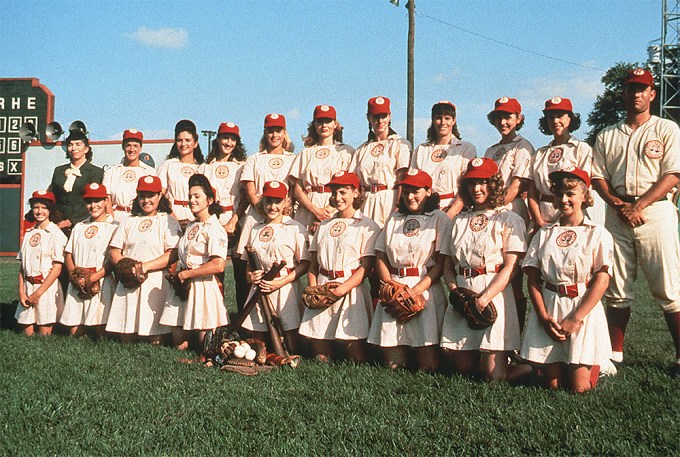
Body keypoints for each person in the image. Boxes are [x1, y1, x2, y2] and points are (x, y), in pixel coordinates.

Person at [591, 68, 680, 377]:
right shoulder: (607, 134)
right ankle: (615, 355)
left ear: (652, 94)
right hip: (618, 210)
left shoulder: (667, 129)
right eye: (631, 88)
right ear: (624, 93)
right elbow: (598, 176)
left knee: (668, 286)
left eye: (643, 89)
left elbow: (672, 175)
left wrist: (639, 204)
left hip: (655, 210)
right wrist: (619, 204)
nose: (637, 94)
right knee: (615, 284)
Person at [521, 168, 612, 393]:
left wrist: (576, 319)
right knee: (552, 386)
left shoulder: (597, 233)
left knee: (579, 388)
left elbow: (602, 279)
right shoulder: (544, 233)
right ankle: (540, 365)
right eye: (559, 193)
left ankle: (594, 361)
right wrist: (543, 317)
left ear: (584, 195)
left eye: (570, 193)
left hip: (581, 308)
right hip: (551, 307)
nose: (564, 199)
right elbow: (532, 278)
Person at [440, 158, 527, 382]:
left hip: (493, 292)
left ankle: (534, 370)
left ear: (495, 184)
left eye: (483, 183)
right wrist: (455, 292)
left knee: (493, 376)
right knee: (462, 371)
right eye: (471, 183)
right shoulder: (458, 221)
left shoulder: (508, 218)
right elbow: (448, 265)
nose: (476, 189)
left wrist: (485, 298)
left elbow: (511, 268)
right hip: (463, 292)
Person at [367, 169, 449, 372]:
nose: (410, 196)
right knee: (394, 366)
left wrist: (414, 292)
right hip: (394, 288)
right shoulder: (395, 218)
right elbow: (381, 255)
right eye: (406, 191)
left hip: (424, 289)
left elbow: (440, 264)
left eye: (416, 191)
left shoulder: (439, 218)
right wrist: (391, 285)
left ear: (428, 191)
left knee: (428, 365)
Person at [298, 171, 380, 363]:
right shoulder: (325, 225)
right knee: (320, 357)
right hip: (323, 287)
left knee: (354, 357)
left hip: (350, 289)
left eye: (343, 192)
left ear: (356, 193)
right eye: (334, 192)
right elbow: (313, 264)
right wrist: (314, 288)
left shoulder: (367, 225)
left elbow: (366, 267)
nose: (337, 197)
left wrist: (341, 290)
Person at [106, 175, 181, 343]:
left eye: (151, 195)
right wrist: (126, 268)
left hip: (154, 278)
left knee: (155, 338)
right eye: (142, 196)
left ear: (159, 196)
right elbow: (114, 250)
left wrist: (144, 267)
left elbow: (173, 253)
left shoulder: (167, 220)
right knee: (126, 337)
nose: (146, 200)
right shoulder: (128, 221)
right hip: (129, 278)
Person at [160, 174, 229, 350]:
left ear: (210, 200)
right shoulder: (191, 225)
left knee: (205, 346)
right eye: (190, 196)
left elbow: (218, 265)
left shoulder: (215, 229)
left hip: (202, 285)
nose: (191, 200)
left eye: (197, 196)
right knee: (178, 344)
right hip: (183, 286)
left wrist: (186, 274)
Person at [483, 96, 534, 331]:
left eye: (509, 117)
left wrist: (492, 206)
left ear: (518, 119)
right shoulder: (491, 150)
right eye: (500, 117)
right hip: (490, 213)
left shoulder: (523, 146)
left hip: (510, 212)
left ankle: (515, 336)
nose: (503, 121)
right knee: (491, 269)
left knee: (513, 278)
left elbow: (515, 187)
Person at [243, 181, 310, 355]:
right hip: (259, 287)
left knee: (291, 342)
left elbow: (305, 263)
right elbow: (249, 262)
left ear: (286, 202)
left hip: (284, 285)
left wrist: (281, 282)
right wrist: (250, 277)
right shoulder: (255, 229)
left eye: (277, 202)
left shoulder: (295, 228)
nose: (272, 207)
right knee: (256, 340)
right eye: (268, 201)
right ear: (262, 202)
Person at [200, 122, 248, 311]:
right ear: (217, 139)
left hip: (235, 218)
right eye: (225, 137)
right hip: (213, 218)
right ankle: (215, 317)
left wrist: (233, 221)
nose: (228, 142)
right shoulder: (206, 167)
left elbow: (245, 198)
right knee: (214, 271)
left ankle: (241, 319)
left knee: (240, 272)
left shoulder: (241, 166)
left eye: (233, 139)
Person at [234, 114, 296, 261]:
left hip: (282, 212)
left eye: (278, 131)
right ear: (265, 133)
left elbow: (294, 187)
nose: (274, 135)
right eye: (270, 131)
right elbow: (250, 187)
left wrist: (288, 204)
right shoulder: (255, 158)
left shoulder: (292, 158)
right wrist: (260, 206)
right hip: (258, 213)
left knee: (282, 255)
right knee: (250, 257)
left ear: (284, 133)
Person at [61, 183, 117, 337]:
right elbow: (68, 254)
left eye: (97, 200)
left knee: (102, 333)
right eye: (89, 201)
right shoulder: (79, 226)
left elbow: (113, 259)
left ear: (106, 201)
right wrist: (75, 277)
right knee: (74, 333)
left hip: (101, 280)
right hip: (78, 281)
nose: (93, 206)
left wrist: (93, 277)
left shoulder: (114, 226)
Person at [289, 104, 355, 234]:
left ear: (335, 124)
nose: (324, 126)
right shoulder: (306, 153)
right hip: (308, 207)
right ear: (314, 125)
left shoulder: (346, 151)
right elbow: (297, 188)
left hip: (335, 205)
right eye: (320, 122)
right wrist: (315, 210)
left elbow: (351, 185)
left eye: (328, 121)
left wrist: (328, 210)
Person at [528, 97, 592, 228]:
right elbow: (532, 192)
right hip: (542, 216)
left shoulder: (581, 148)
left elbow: (583, 187)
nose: (555, 121)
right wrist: (539, 221)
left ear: (570, 118)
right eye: (551, 117)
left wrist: (565, 219)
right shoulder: (540, 153)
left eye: (560, 116)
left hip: (570, 214)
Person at [350, 96, 412, 228]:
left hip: (388, 198)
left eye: (383, 116)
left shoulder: (399, 144)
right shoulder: (362, 149)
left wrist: (398, 205)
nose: (380, 121)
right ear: (369, 118)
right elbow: (353, 180)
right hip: (365, 200)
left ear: (389, 116)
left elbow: (402, 179)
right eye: (375, 117)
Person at [410, 100, 475, 219]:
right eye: (439, 118)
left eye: (447, 118)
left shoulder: (465, 149)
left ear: (454, 120)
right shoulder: (421, 150)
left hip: (454, 210)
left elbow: (465, 187)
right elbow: (414, 184)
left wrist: (450, 214)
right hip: (425, 211)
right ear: (433, 120)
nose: (443, 122)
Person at [16, 191, 67, 336]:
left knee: (43, 336)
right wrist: (21, 292)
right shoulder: (29, 233)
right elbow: (22, 268)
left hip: (46, 290)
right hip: (27, 288)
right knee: (27, 336)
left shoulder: (56, 234)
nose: (39, 211)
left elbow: (56, 269)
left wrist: (38, 294)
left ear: (51, 210)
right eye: (36, 207)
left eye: (44, 207)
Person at [49, 130, 104, 235]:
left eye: (78, 144)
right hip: (58, 225)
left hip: (83, 223)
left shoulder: (96, 172)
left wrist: (71, 221)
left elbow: (94, 201)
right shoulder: (59, 171)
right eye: (70, 145)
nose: (74, 148)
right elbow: (53, 198)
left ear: (86, 149)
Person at [156, 120, 204, 228]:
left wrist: (196, 219)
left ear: (195, 143)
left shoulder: (202, 168)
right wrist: (174, 219)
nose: (183, 144)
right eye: (179, 140)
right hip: (170, 216)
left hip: (196, 215)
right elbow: (159, 195)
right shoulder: (168, 165)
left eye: (187, 140)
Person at [103, 129, 156, 222]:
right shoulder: (111, 172)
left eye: (136, 146)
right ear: (123, 147)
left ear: (141, 148)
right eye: (128, 145)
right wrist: (111, 220)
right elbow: (107, 199)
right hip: (116, 217)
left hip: (140, 217)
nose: (132, 150)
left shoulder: (149, 172)